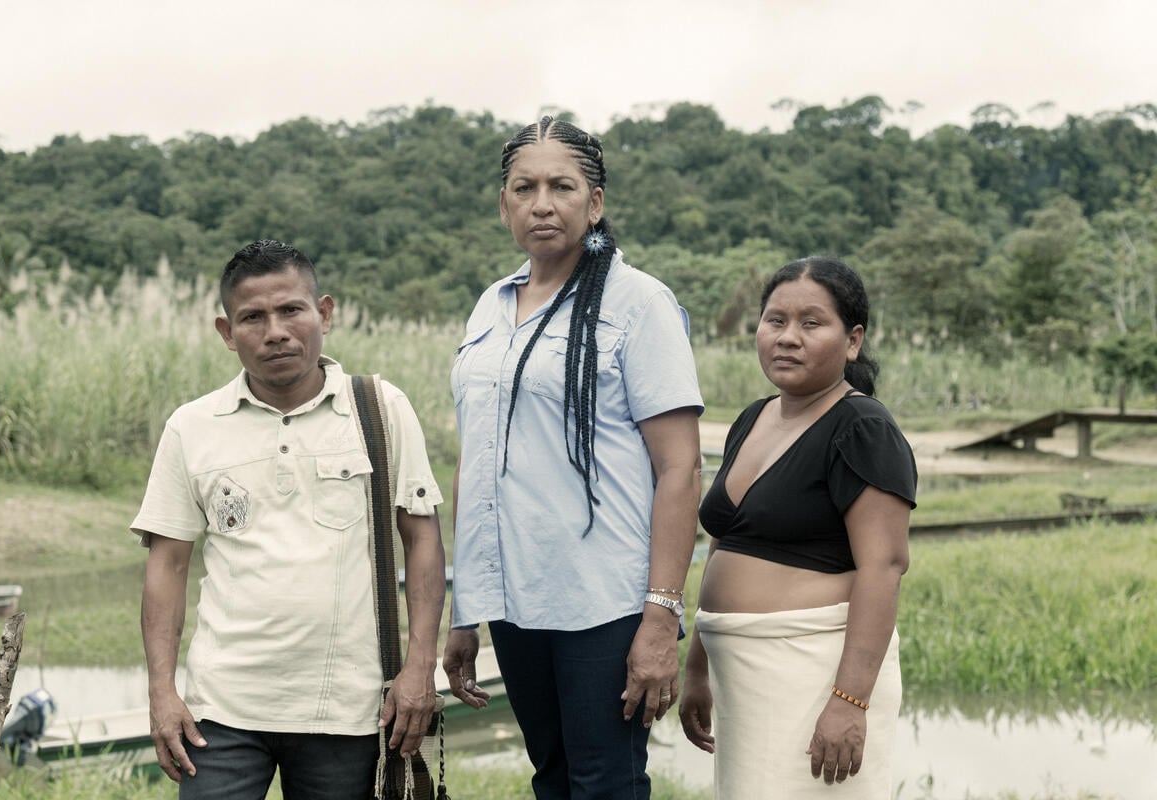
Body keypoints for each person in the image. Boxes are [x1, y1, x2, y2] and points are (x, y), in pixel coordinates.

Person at [441, 116, 704, 799]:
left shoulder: (638, 303)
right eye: (524, 188)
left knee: (605, 784)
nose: (542, 203)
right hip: (517, 601)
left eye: (563, 186)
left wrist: (660, 617)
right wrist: (464, 609)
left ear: (595, 202)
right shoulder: (489, 308)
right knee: (553, 779)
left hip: (605, 603)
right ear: (504, 205)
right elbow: (477, 462)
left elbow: (680, 468)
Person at [135, 239, 446, 800]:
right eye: (252, 317)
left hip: (349, 711)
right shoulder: (193, 426)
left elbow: (421, 540)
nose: (275, 330)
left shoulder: (379, 408)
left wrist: (420, 667)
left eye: (291, 311)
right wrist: (162, 690)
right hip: (222, 710)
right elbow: (168, 565)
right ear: (227, 333)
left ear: (323, 313)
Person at [680, 256, 916, 797]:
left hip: (812, 674)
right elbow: (724, 545)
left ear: (852, 340)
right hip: (740, 672)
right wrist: (699, 665)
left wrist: (849, 700)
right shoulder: (754, 416)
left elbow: (883, 568)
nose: (788, 337)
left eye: (812, 323)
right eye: (775, 320)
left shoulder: (863, 428)